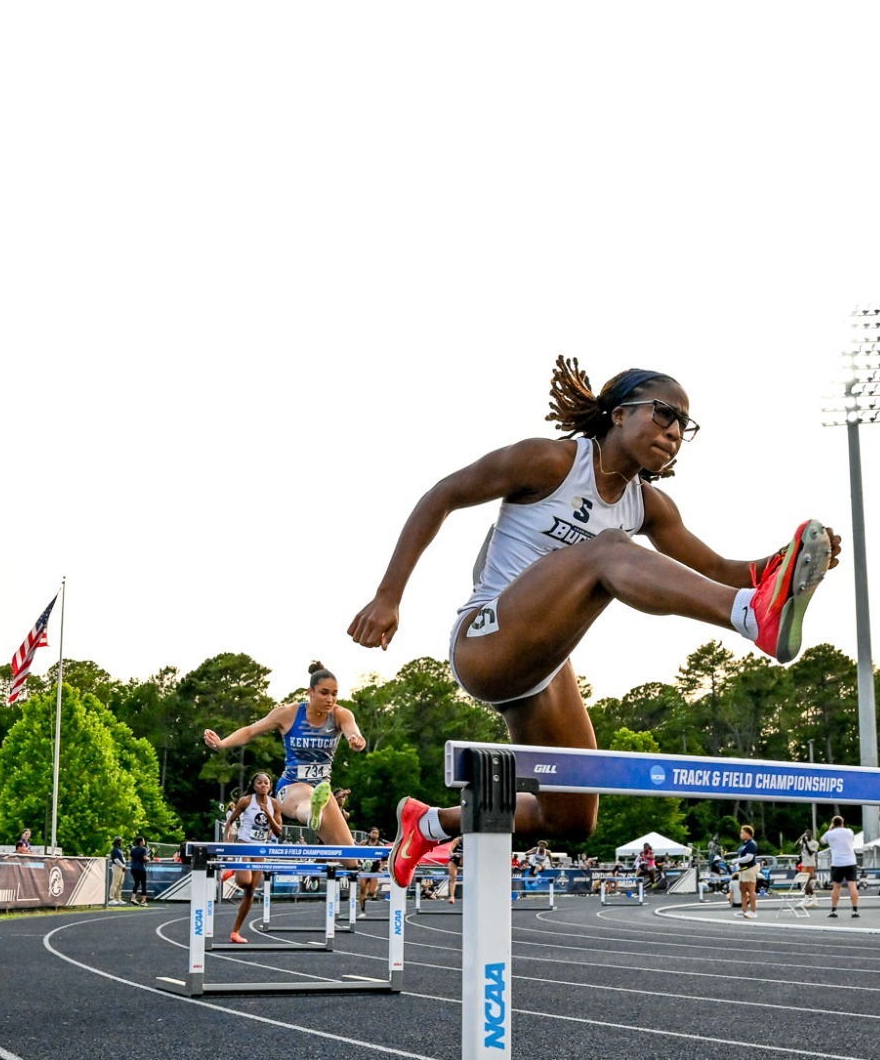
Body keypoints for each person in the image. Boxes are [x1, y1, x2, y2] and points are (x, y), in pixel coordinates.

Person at [349, 358, 841, 885]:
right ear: (620, 412)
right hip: (485, 639)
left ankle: (427, 823)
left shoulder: (648, 505)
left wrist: (793, 560)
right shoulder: (549, 461)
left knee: (571, 818)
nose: (674, 431)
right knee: (608, 550)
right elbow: (442, 495)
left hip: (544, 670)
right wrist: (387, 595)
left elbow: (720, 570)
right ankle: (750, 616)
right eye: (664, 413)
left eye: (684, 425)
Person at [202, 662, 367, 847]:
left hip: (323, 791)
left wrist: (356, 740)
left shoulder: (340, 715)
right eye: (324, 692)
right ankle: (313, 813)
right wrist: (222, 743)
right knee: (308, 797)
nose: (330, 699)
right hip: (290, 788)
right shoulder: (288, 714)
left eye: (334, 694)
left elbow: (353, 732)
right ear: (310, 692)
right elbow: (250, 731)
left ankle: (318, 814)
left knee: (349, 855)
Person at [222, 772, 286, 943]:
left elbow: (279, 832)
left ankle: (235, 932)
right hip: (245, 843)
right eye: (259, 782)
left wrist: (269, 816)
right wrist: (226, 841)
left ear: (270, 785)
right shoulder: (246, 801)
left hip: (261, 849)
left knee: (250, 891)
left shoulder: (274, 805)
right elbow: (230, 821)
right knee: (243, 882)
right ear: (254, 785)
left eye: (266, 782)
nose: (263, 785)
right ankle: (235, 868)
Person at [822, 816, 860, 918]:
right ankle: (855, 910)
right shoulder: (849, 832)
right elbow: (852, 839)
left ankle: (834, 910)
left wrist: (830, 829)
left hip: (837, 863)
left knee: (836, 888)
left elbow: (822, 841)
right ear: (842, 822)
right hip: (850, 862)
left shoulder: (830, 834)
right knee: (852, 886)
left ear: (833, 823)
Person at [734, 825, 761, 919]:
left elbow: (749, 857)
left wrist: (737, 861)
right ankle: (743, 909)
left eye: (742, 832)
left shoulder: (751, 844)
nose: (741, 834)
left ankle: (753, 911)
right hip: (742, 870)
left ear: (748, 833)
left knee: (751, 890)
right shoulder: (744, 844)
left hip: (749, 869)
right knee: (743, 890)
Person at [129, 835, 151, 905]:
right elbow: (145, 858)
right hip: (141, 868)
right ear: (141, 842)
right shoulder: (144, 849)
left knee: (136, 883)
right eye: (143, 840)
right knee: (143, 884)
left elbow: (130, 859)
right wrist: (149, 859)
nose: (144, 842)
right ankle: (143, 901)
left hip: (133, 868)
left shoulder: (133, 849)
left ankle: (133, 897)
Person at [108, 837, 129, 905]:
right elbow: (116, 860)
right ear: (117, 842)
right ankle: (111, 898)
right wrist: (123, 866)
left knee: (120, 884)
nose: (121, 842)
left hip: (121, 867)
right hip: (117, 867)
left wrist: (124, 865)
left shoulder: (119, 849)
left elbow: (122, 858)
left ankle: (118, 898)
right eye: (120, 841)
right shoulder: (115, 850)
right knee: (115, 883)